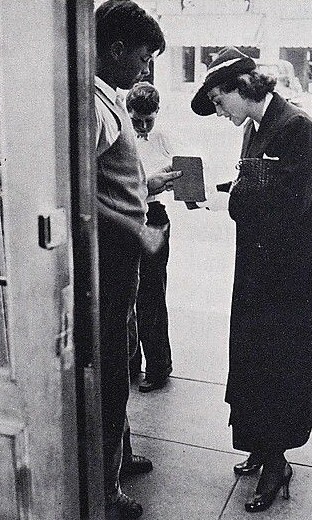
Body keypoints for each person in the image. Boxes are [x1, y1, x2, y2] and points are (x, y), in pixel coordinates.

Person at [191, 47, 312, 513]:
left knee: (280, 361)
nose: (219, 111)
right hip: (260, 266)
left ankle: (276, 462)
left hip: (290, 273)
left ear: (243, 87)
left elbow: (288, 205)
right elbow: (255, 184)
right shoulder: (257, 127)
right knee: (255, 354)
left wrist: (228, 204)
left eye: (219, 101)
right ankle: (259, 442)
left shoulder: (297, 128)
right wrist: (211, 189)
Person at [95, 2, 180, 518]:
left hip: (123, 255)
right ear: (117, 49)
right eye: (144, 58)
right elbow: (74, 189)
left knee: (121, 354)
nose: (145, 70)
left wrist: (142, 188)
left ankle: (119, 457)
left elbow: (108, 181)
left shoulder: (111, 100)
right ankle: (106, 489)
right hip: (112, 257)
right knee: (111, 367)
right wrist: (135, 228)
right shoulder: (96, 105)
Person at [126, 82, 173, 393]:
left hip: (153, 218)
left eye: (149, 120)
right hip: (128, 216)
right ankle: (130, 362)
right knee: (124, 292)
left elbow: (185, 172)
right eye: (137, 120)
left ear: (157, 114)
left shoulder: (164, 137)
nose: (143, 127)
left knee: (152, 293)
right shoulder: (121, 133)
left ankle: (158, 366)